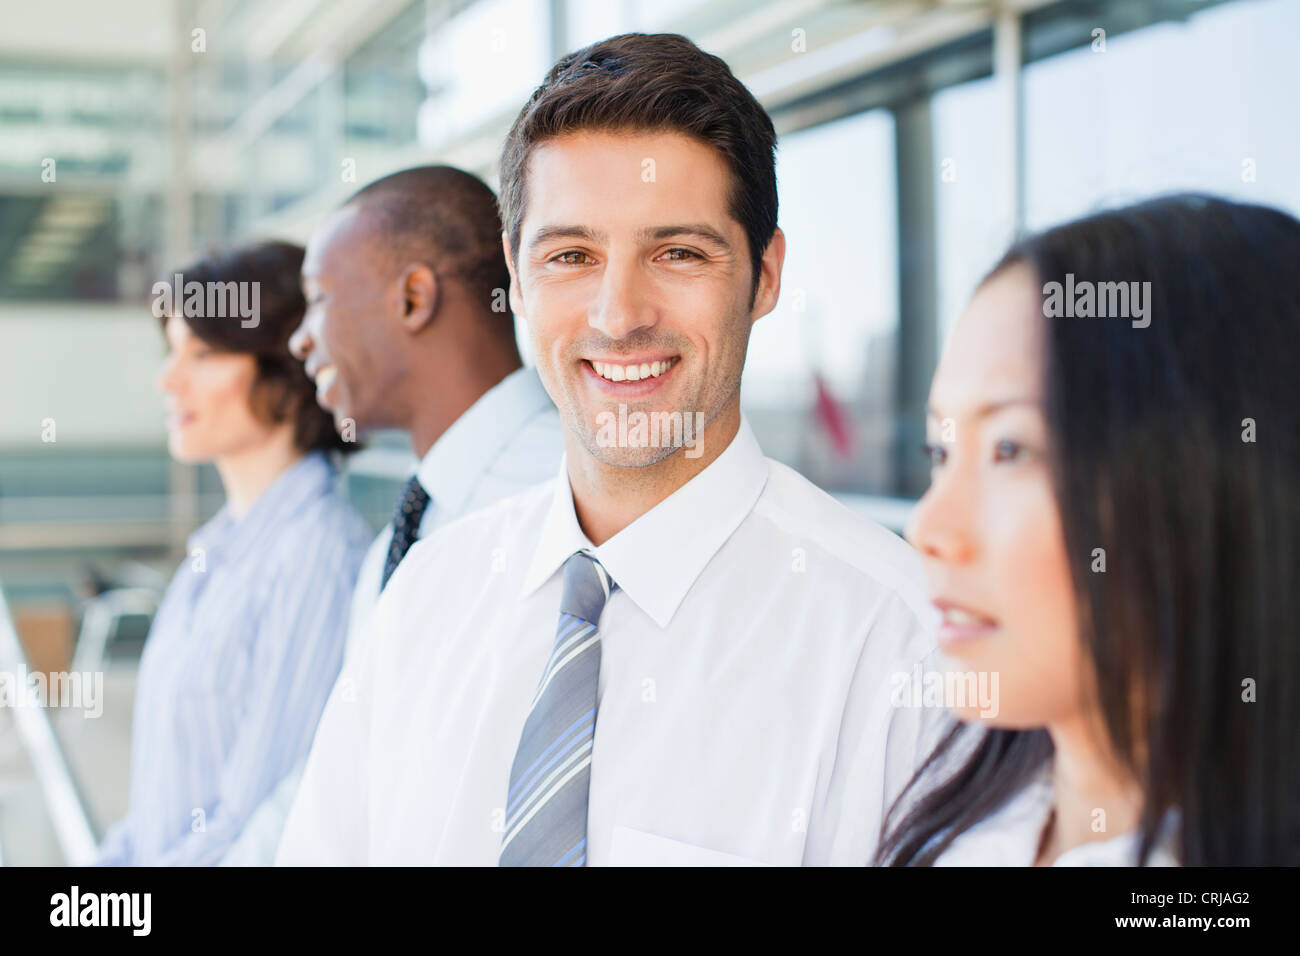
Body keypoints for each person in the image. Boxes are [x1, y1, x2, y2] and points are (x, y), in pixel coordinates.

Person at [276, 32, 934, 867]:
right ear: (517, 277)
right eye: (572, 256)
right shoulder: (423, 603)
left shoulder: (897, 644)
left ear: (765, 276)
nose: (618, 315)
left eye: (678, 252)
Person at [875, 195, 1300, 866]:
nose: (928, 527)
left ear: (1210, 481)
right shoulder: (950, 797)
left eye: (1009, 450)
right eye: (940, 452)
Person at [220, 166, 562, 865]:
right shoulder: (395, 548)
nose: (299, 341)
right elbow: (344, 775)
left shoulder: (577, 497)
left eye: (318, 302)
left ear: (414, 298)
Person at [96, 241, 372, 866]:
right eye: (171, 352)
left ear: (285, 365)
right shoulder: (218, 551)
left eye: (205, 353)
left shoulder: (318, 557)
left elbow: (254, 827)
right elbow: (161, 806)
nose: (168, 379)